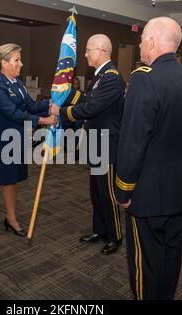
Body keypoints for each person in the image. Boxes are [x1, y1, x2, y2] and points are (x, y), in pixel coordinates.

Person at [114, 17, 182, 300]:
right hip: (177, 189)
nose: (141, 46)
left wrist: (123, 188)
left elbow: (132, 142)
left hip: (146, 195)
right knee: (169, 258)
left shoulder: (143, 78)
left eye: (142, 41)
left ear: (151, 41)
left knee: (146, 266)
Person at [52, 34, 126, 255]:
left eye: (88, 50)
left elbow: (91, 109)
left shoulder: (112, 77)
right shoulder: (101, 75)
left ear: (102, 51)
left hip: (107, 145)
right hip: (96, 143)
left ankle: (115, 236)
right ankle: (100, 230)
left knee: (107, 194)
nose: (84, 54)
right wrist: (68, 92)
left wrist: (61, 111)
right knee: (96, 191)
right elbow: (89, 100)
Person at [0, 43, 56, 241]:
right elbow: (13, 114)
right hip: (0, 141)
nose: (21, 64)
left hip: (17, 140)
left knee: (11, 181)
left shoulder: (19, 84)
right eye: (17, 60)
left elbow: (31, 105)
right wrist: (43, 120)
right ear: (4, 63)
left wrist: (50, 104)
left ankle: (11, 218)